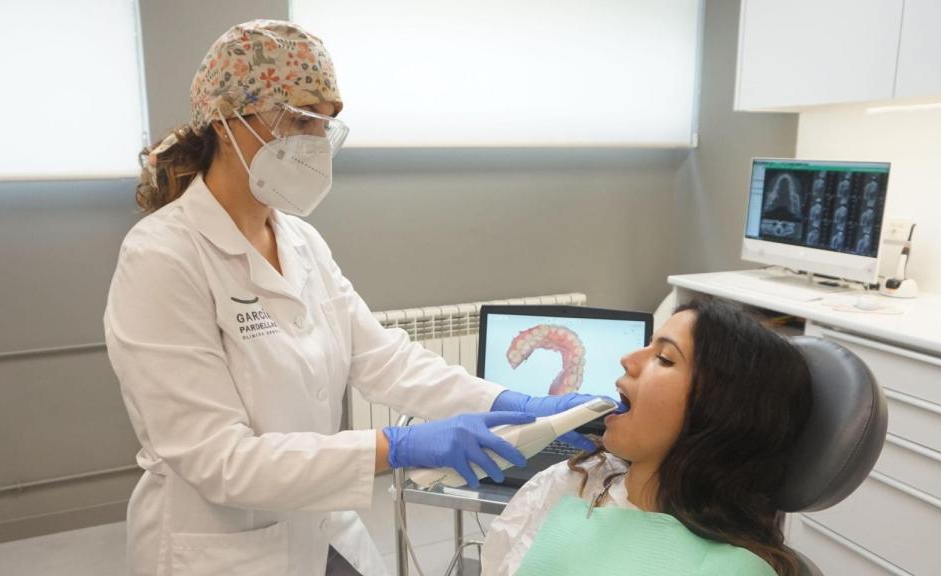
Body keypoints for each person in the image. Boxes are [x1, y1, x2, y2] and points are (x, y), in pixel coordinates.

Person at [104, 20, 597, 576]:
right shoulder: (162, 258)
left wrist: (510, 403)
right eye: (297, 119)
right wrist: (396, 447)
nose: (313, 143)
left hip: (321, 529)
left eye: (325, 123)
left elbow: (383, 358)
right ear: (224, 119)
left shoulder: (300, 241)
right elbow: (219, 460)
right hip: (224, 549)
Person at [481, 298, 813, 576]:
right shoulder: (575, 478)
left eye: (664, 358)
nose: (627, 359)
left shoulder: (732, 569)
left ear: (719, 411)